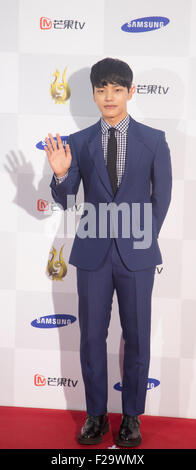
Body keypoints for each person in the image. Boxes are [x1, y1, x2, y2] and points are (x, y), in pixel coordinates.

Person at [45, 57, 172, 447]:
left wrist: (141, 239)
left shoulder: (153, 139)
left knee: (137, 337)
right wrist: (63, 173)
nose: (109, 97)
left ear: (131, 92)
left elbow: (161, 199)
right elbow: (65, 200)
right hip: (93, 254)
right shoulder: (79, 142)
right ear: (94, 94)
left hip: (136, 255)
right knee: (91, 338)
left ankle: (131, 417)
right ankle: (96, 416)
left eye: (117, 89)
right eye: (102, 90)